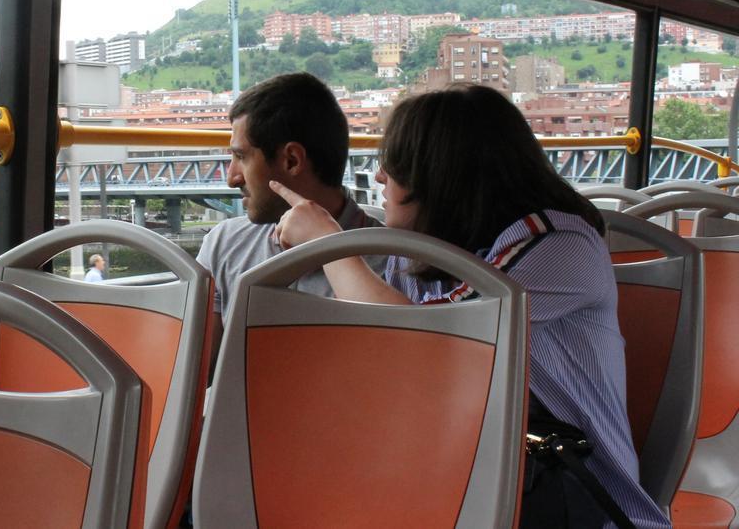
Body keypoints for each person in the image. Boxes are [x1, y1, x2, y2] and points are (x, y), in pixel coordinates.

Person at [272, 84, 667, 529]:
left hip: (573, 493)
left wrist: (329, 245)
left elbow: (423, 340)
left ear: (440, 174)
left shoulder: (559, 246)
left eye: (394, 164)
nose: (380, 177)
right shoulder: (418, 251)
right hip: (460, 470)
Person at [196, 72, 383, 322]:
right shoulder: (222, 245)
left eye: (241, 157)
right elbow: (200, 358)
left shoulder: (396, 265)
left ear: (292, 160)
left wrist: (328, 245)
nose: (232, 178)